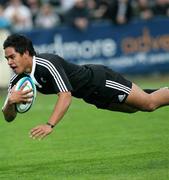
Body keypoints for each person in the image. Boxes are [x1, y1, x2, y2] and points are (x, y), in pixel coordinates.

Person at [2, 34, 169, 140]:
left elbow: (65, 95)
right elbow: (8, 117)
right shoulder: (17, 79)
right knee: (135, 107)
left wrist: (49, 125)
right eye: (6, 58)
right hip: (91, 96)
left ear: (25, 53)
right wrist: (10, 102)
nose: (9, 62)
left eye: (12, 57)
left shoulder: (46, 63)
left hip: (101, 81)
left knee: (149, 104)